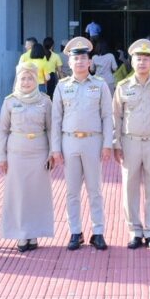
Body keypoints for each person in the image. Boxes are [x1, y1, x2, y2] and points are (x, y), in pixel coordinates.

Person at [50, 36, 114, 251]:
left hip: (93, 142)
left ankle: (98, 232)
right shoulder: (61, 86)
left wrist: (107, 144)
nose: (79, 62)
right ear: (69, 63)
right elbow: (56, 119)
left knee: (95, 190)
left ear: (90, 62)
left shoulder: (100, 85)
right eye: (75, 59)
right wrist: (55, 148)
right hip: (69, 142)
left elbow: (107, 116)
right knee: (72, 191)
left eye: (83, 58)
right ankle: (75, 232)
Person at [112, 38, 150, 250]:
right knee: (130, 188)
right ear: (132, 61)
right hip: (130, 142)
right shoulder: (123, 87)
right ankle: (135, 231)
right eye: (138, 58)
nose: (142, 62)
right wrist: (116, 143)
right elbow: (116, 116)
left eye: (147, 59)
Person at [0, 61, 55, 252]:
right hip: (16, 153)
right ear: (17, 80)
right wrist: (2, 157)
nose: (26, 82)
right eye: (23, 78)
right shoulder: (10, 101)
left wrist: (52, 152)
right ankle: (21, 233)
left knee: (36, 194)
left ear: (36, 79)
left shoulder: (45, 101)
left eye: (30, 78)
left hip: (39, 152)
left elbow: (51, 129)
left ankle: (34, 233)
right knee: (18, 194)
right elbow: (3, 130)